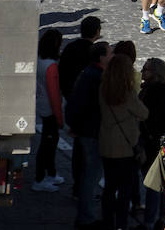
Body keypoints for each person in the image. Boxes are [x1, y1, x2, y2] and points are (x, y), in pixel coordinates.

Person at [98, 54, 148, 230]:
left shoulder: (103, 90)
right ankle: (121, 224)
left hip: (106, 145)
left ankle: (107, 222)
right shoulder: (127, 94)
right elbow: (144, 113)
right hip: (126, 148)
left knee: (109, 188)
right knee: (125, 190)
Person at [67, 41, 112, 229]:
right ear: (101, 57)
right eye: (109, 53)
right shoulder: (97, 77)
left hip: (86, 130)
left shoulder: (89, 73)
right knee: (91, 176)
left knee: (89, 174)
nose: (112, 56)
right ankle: (86, 218)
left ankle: (86, 215)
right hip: (92, 132)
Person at [137, 58, 165, 229]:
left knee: (153, 185)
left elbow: (152, 121)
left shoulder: (153, 94)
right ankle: (161, 217)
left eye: (146, 70)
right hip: (160, 144)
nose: (142, 73)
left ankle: (151, 221)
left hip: (152, 144)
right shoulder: (162, 92)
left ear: (156, 73)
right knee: (160, 184)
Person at [33, 29, 64, 193]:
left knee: (49, 142)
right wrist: (60, 118)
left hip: (41, 104)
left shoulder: (39, 60)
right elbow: (54, 95)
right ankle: (40, 178)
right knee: (48, 144)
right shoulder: (51, 66)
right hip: (50, 109)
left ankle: (51, 173)